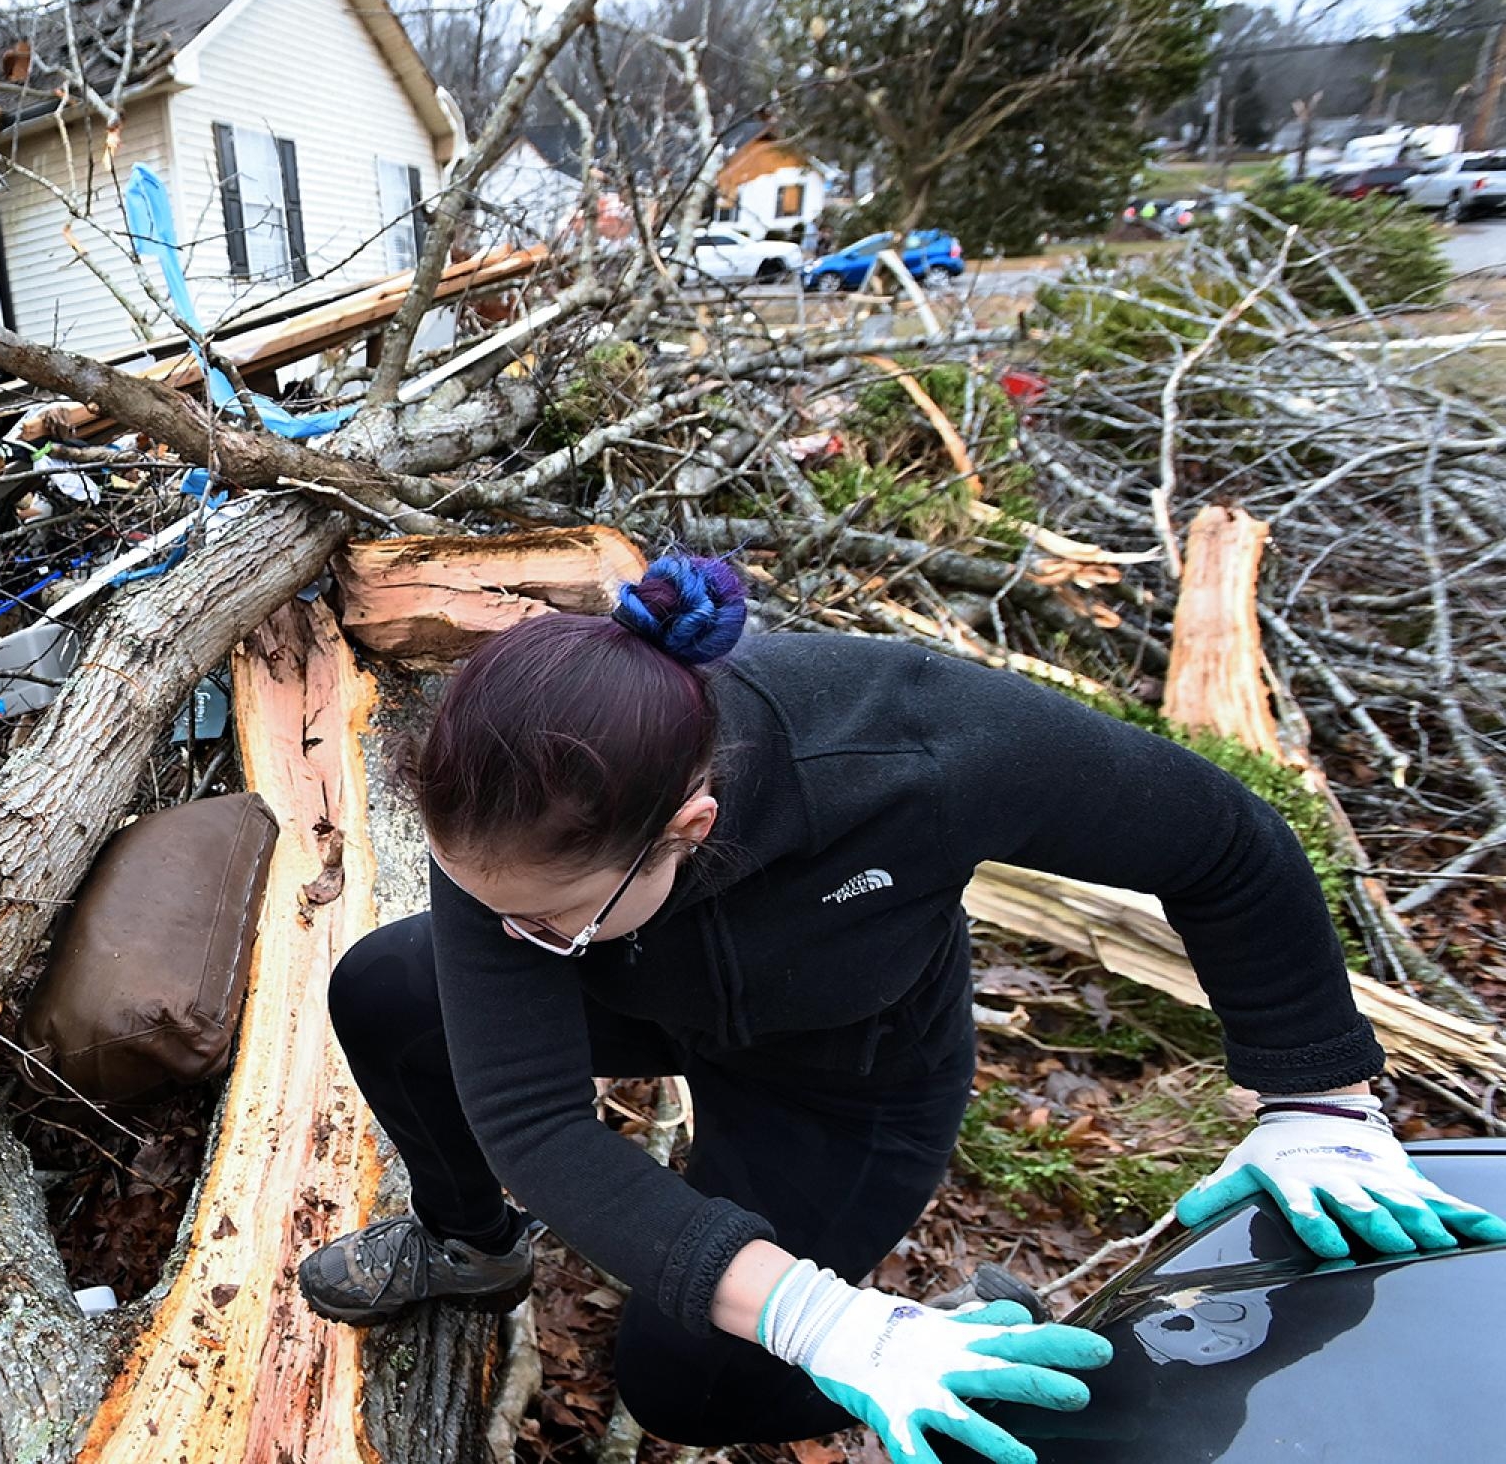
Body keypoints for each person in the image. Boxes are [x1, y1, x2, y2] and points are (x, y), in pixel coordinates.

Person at [297, 554, 1506, 1464]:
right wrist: (806, 1304)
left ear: (689, 829)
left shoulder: (919, 749)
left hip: (844, 1061)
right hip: (650, 992)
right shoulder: (500, 807)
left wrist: (1314, 1095)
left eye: (546, 919)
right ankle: (468, 1246)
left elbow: (1223, 842)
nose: (511, 943)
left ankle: (971, 1335)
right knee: (387, 989)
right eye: (485, 904)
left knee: (692, 1386)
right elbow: (540, 1125)